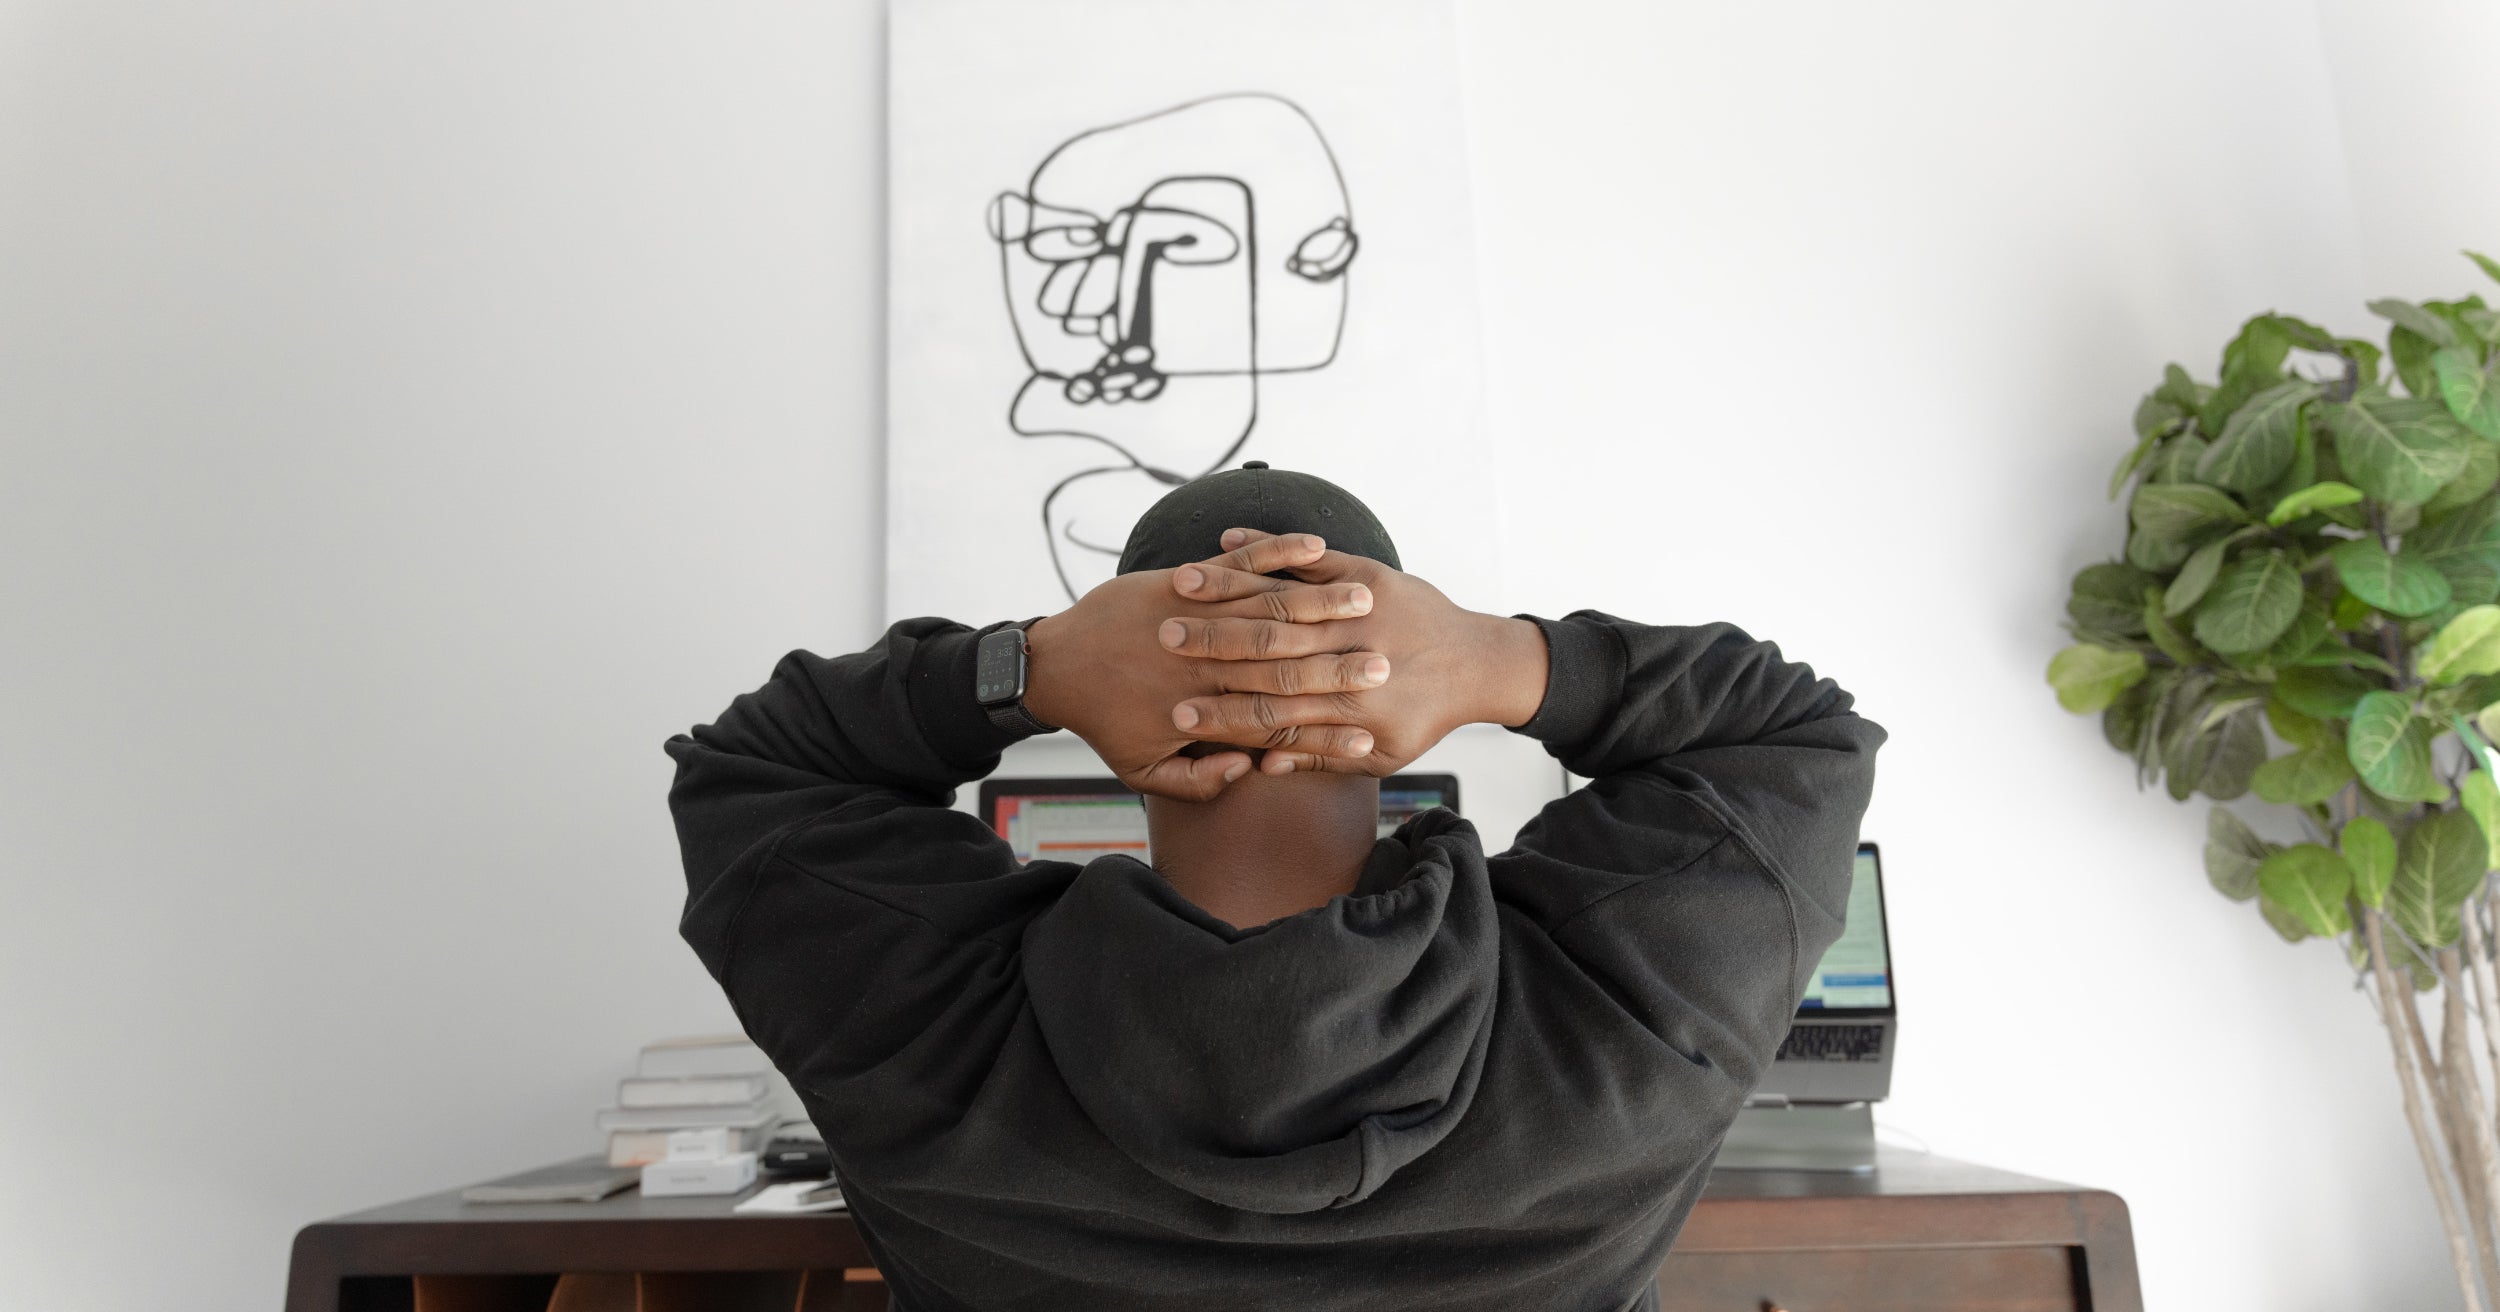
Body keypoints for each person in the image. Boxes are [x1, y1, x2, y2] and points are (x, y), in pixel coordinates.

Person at [665, 464, 1884, 1311]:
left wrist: (1023, 671)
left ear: (1108, 710)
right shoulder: (1627, 1020)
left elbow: (754, 766)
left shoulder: (920, 1029)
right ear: (1399, 695)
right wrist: (1500, 659)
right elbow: (1793, 737)